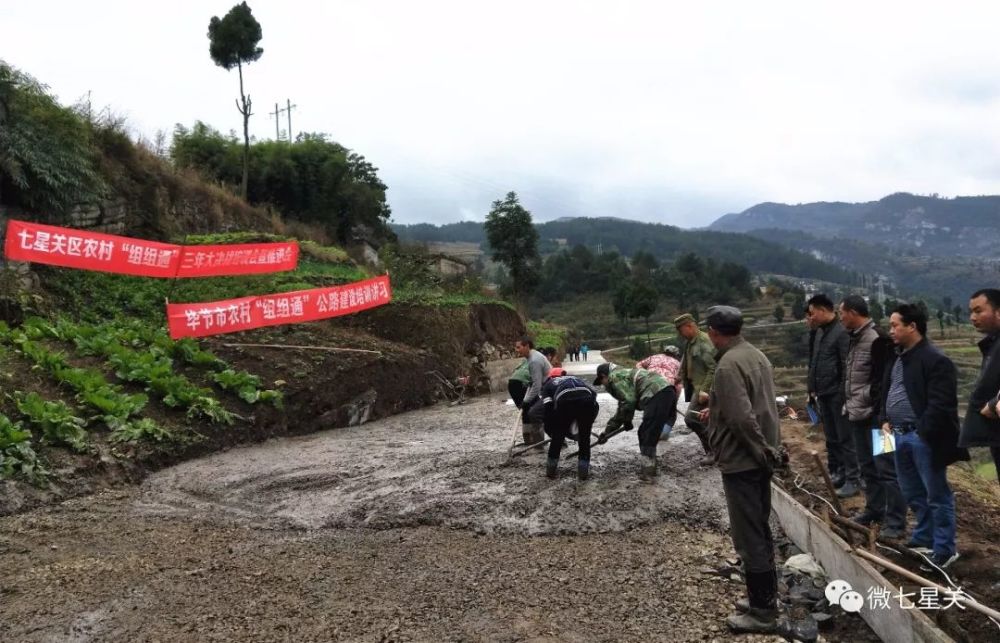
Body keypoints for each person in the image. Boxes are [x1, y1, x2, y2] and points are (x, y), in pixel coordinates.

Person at [698, 306, 782, 635]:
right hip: (758, 456)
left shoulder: (727, 366)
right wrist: (715, 412)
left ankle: (763, 612)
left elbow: (742, 419)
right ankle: (762, 599)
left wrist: (761, 452)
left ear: (714, 332)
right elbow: (749, 404)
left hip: (744, 460)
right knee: (758, 528)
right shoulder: (754, 355)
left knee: (749, 536)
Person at [879, 304, 969, 570]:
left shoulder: (935, 360)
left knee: (937, 494)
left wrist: (922, 431)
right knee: (911, 491)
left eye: (895, 325)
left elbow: (941, 404)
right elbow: (888, 391)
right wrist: (883, 419)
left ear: (912, 326)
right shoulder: (897, 357)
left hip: (922, 438)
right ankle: (923, 536)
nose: (891, 330)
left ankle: (945, 549)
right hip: (895, 434)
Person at [839, 295, 906, 538]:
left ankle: (896, 521)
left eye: (842, 312)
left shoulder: (877, 339)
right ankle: (875, 509)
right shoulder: (854, 338)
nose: (840, 317)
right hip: (857, 414)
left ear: (854, 312)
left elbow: (883, 381)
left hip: (878, 418)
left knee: (887, 467)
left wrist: (875, 406)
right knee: (867, 465)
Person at [806, 294, 860, 497]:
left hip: (837, 395)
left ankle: (853, 478)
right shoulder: (821, 333)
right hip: (823, 394)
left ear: (822, 310)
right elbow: (816, 362)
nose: (811, 317)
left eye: (812, 313)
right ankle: (838, 472)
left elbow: (846, 367)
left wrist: (841, 394)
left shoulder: (841, 333)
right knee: (832, 437)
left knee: (846, 438)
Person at [594, 362, 677, 480]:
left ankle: (648, 471)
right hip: (668, 392)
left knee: (646, 432)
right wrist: (608, 431)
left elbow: (629, 401)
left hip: (656, 394)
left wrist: (627, 421)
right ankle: (651, 464)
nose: (603, 385)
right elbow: (623, 407)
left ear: (604, 376)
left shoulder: (615, 377)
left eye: (601, 382)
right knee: (650, 431)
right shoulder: (625, 374)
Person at [959, 288, 1000, 484]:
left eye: (978, 311)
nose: (972, 317)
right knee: (885, 466)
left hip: (913, 434)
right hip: (883, 427)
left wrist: (993, 404)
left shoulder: (931, 359)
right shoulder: (897, 358)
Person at [539, 368, 600, 480]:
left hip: (565, 400)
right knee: (584, 438)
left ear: (551, 377)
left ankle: (551, 471)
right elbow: (594, 397)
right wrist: (587, 423)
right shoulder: (577, 379)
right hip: (588, 401)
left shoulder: (548, 385)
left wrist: (553, 429)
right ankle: (583, 473)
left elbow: (548, 410)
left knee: (558, 437)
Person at [675, 313, 716, 466]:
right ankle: (716, 450)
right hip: (694, 386)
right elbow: (686, 359)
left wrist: (705, 391)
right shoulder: (691, 342)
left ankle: (713, 451)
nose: (680, 334)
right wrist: (679, 376)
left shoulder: (704, 342)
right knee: (707, 420)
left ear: (690, 326)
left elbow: (713, 368)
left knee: (691, 419)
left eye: (681, 330)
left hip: (703, 388)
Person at [514, 336, 553, 447]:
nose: (517, 350)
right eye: (516, 348)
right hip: (548, 388)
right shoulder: (532, 357)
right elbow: (534, 382)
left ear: (527, 346)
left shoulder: (534, 361)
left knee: (534, 413)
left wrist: (526, 401)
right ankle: (554, 440)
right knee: (546, 413)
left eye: (519, 347)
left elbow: (537, 386)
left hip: (551, 389)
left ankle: (539, 444)